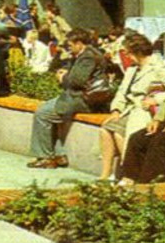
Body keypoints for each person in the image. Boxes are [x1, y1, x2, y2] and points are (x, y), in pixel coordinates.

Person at [27, 29, 110, 169]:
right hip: (80, 97)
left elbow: (77, 81)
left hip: (81, 99)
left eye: (70, 45)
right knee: (51, 112)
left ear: (79, 43)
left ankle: (45, 157)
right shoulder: (88, 54)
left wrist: (63, 77)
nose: (69, 48)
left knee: (42, 113)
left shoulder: (88, 57)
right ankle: (59, 155)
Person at [98, 32, 165, 181]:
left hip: (146, 111)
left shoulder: (160, 67)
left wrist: (156, 99)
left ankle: (129, 174)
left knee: (120, 133)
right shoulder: (132, 69)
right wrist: (116, 109)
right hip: (131, 109)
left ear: (137, 51)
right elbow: (122, 91)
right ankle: (106, 175)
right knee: (105, 130)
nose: (125, 54)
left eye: (127, 51)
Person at [120, 31, 165, 184]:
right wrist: (158, 119)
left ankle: (151, 183)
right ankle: (130, 178)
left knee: (158, 142)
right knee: (138, 138)